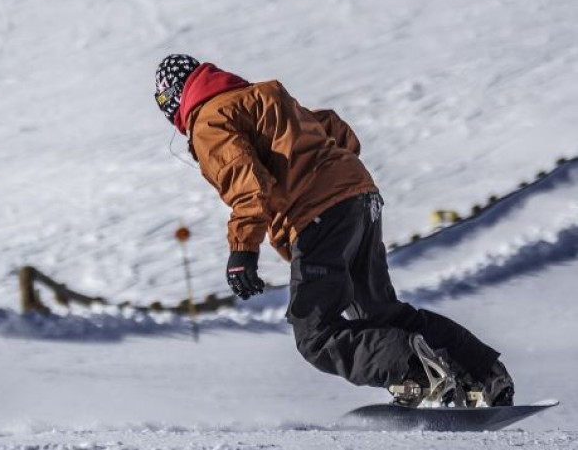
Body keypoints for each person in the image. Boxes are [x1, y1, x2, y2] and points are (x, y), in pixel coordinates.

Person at [153, 54, 514, 407]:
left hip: (320, 213)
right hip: (360, 197)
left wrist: (242, 251)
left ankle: (419, 372)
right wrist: (334, 174)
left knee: (315, 333)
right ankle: (485, 375)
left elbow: (248, 185)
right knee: (379, 313)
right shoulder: (262, 95)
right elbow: (334, 127)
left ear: (172, 98)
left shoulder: (209, 120)